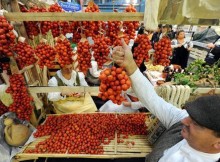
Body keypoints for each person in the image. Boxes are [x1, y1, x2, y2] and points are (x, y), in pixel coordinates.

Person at [112, 39, 220, 162]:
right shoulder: (182, 123)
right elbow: (152, 100)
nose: (184, 120)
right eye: (190, 116)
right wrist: (130, 64)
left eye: (196, 123)